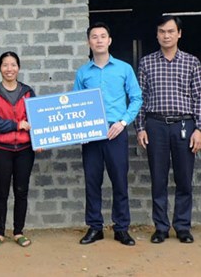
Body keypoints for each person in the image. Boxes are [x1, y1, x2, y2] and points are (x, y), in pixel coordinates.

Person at [135, 15, 201, 244]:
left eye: (170, 31)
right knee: (158, 178)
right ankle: (161, 227)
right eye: (162, 31)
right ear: (157, 35)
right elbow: (140, 98)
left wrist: (199, 128)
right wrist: (140, 127)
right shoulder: (146, 63)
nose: (166, 36)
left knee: (184, 178)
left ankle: (183, 226)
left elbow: (199, 97)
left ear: (179, 34)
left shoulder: (191, 62)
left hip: (184, 125)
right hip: (155, 125)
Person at [74, 23, 142, 246]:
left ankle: (121, 228)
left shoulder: (124, 69)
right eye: (94, 37)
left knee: (119, 181)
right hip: (92, 134)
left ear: (110, 40)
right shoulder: (83, 73)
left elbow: (136, 98)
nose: (99, 40)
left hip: (116, 132)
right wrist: (80, 129)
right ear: (89, 42)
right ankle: (95, 227)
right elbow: (76, 104)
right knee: (92, 181)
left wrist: (123, 122)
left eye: (103, 36)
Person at [0, 51, 36, 248]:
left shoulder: (28, 92)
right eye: (5, 65)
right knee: (1, 191)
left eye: (13, 65)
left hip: (25, 150)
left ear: (18, 68)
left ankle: (18, 231)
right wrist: (17, 125)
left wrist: (38, 140)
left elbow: (36, 118)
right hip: (1, 149)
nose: (9, 69)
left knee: (21, 191)